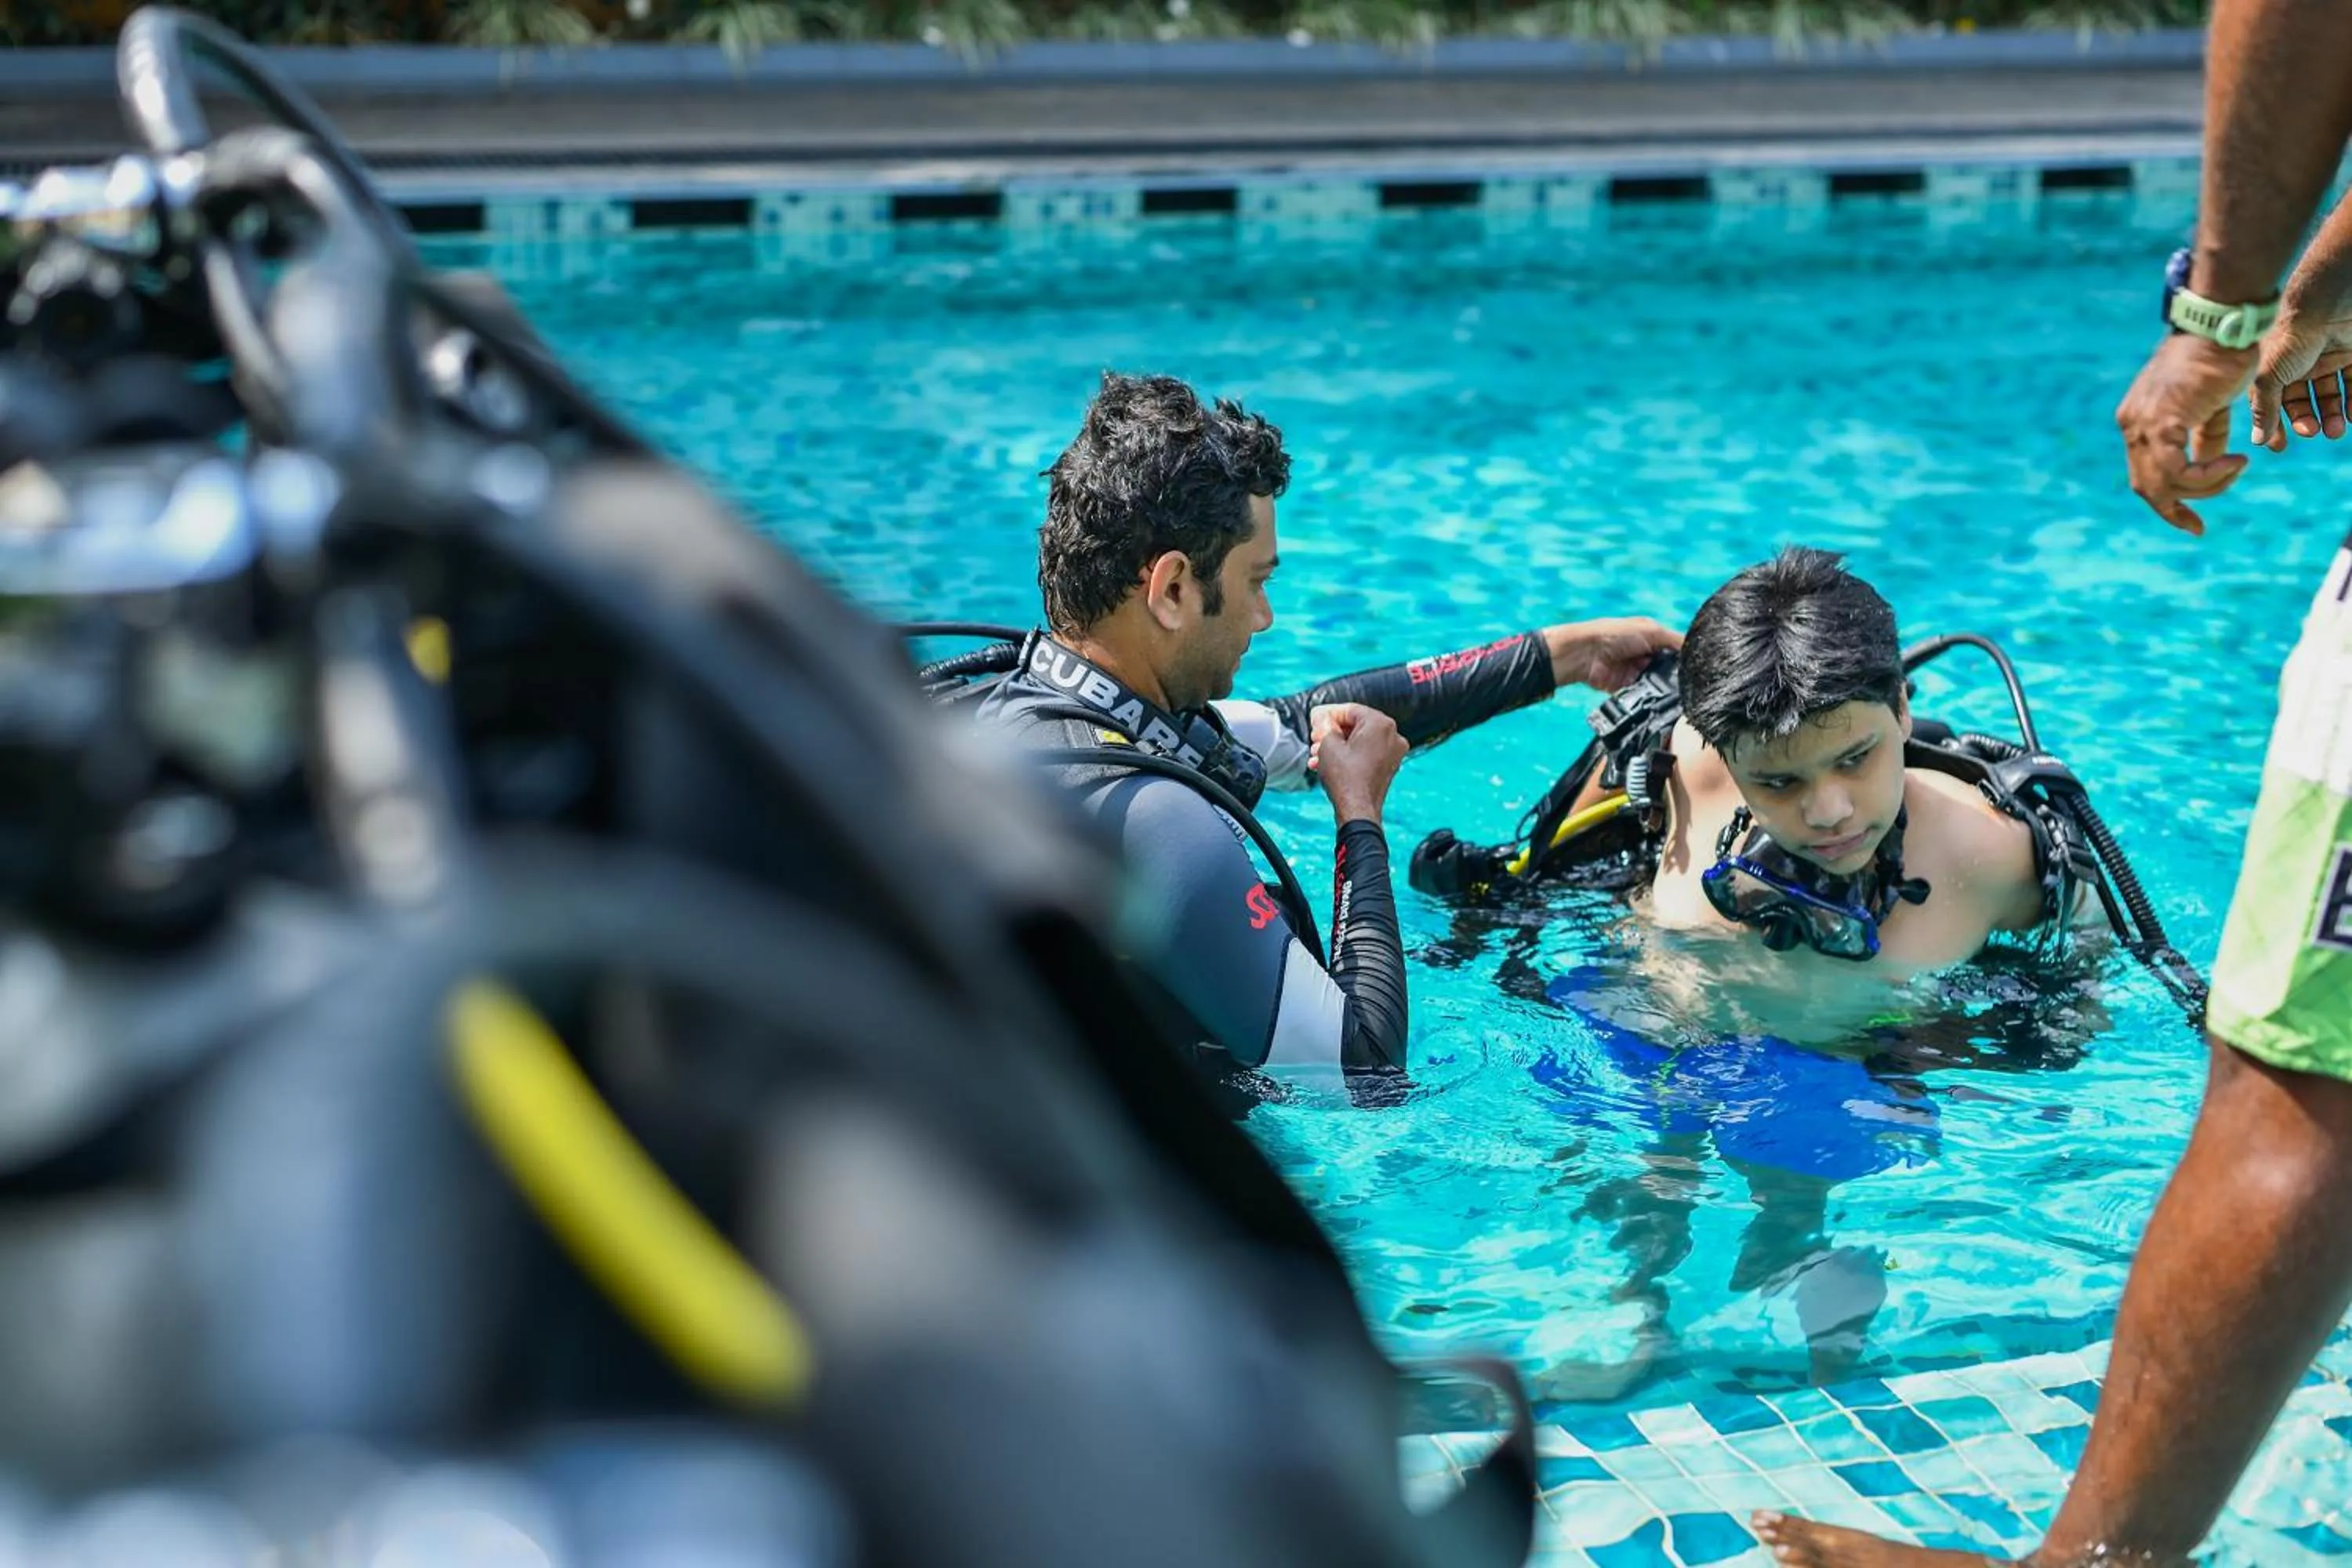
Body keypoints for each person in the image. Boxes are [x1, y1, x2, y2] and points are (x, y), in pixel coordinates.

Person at [1754, 0, 2352, 1559]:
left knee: (2299, 1089)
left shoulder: (2004, 854)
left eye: (1856, 759)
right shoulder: (1686, 836)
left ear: (1906, 718)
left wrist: (2222, 313)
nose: (1827, 811)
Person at [971, 371, 1678, 1091]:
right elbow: (1361, 1070)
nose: (1264, 617)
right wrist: (1359, 818)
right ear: (1173, 589)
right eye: (1256, 582)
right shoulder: (1154, 819)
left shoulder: (1025, 716)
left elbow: (1311, 720)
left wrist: (1568, 656)